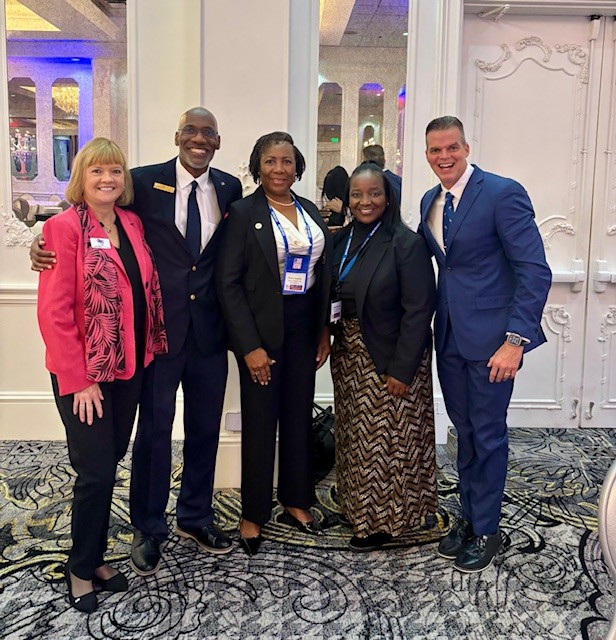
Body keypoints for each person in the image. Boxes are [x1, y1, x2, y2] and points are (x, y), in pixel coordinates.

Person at [30, 108, 243, 576]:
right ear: (177, 135)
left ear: (218, 141)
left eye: (208, 132)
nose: (199, 139)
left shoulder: (230, 188)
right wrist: (40, 246)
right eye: (191, 130)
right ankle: (148, 526)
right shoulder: (142, 182)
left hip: (209, 332)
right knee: (153, 431)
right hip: (157, 335)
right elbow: (85, 215)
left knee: (204, 429)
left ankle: (195, 516)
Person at [36, 138, 167, 612]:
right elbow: (54, 313)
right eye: (96, 171)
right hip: (85, 376)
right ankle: (80, 567)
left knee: (110, 462)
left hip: (127, 367)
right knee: (93, 471)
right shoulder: (63, 228)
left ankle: (93, 558)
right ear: (81, 178)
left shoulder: (130, 223)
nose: (107, 179)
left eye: (114, 171)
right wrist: (79, 379)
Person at [418, 116, 552, 573]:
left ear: (466, 147)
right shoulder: (430, 201)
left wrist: (515, 341)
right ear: (427, 155)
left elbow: (534, 270)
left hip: (495, 343)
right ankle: (471, 517)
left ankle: (487, 529)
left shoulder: (501, 193)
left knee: (488, 433)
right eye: (435, 150)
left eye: (451, 147)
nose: (444, 157)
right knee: (465, 431)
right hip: (450, 337)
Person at [216, 132, 332, 556]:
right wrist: (249, 346)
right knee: (261, 420)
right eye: (270, 161)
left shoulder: (311, 210)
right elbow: (228, 283)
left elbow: (322, 274)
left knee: (299, 415)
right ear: (257, 167)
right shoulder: (243, 213)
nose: (279, 169)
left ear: (298, 166)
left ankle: (296, 499)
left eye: (286, 161)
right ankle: (253, 512)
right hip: (262, 330)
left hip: (304, 326)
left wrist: (323, 330)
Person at [330, 162, 438, 552]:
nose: (365, 201)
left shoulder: (406, 244)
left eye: (374, 193)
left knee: (387, 443)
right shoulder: (341, 240)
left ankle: (385, 522)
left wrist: (402, 369)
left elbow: (419, 310)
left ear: (388, 196)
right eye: (357, 194)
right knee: (355, 439)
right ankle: (357, 509)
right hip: (349, 355)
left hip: (391, 356)